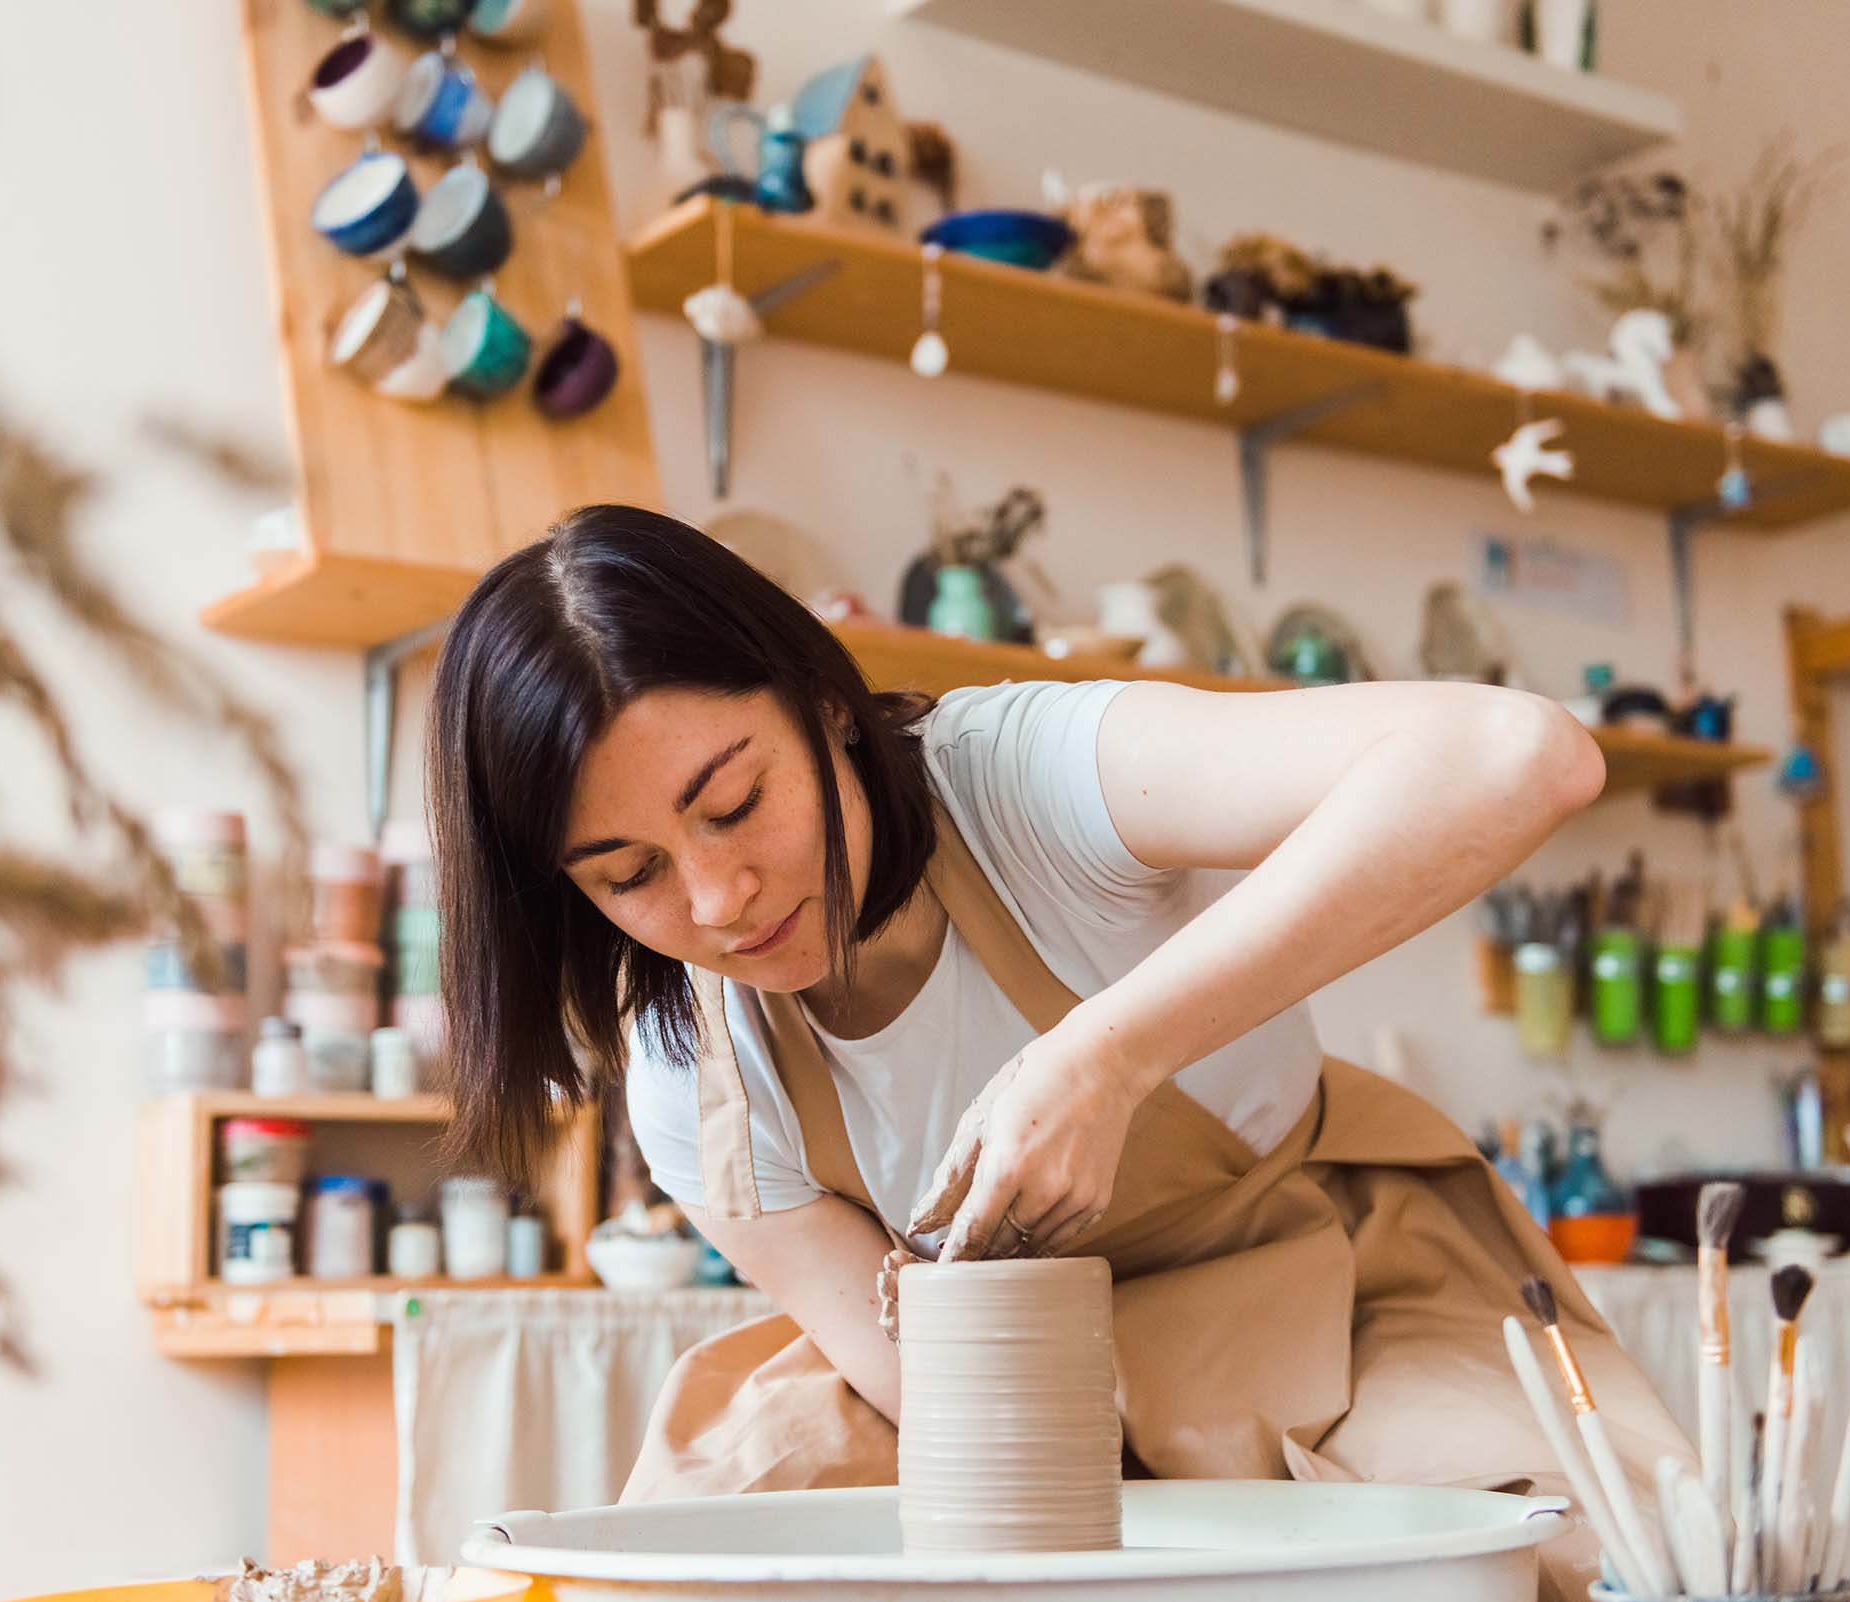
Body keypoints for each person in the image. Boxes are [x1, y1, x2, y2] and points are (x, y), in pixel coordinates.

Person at [428, 506, 1686, 1598]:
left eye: (735, 803)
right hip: (1002, 1381)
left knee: (1552, 1549)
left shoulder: (1028, 778)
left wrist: (1111, 1053)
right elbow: (930, 1389)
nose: (716, 902)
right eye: (630, 874)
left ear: (822, 704)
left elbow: (1521, 757)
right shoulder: (689, 1077)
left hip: (1327, 1287)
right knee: (686, 1559)